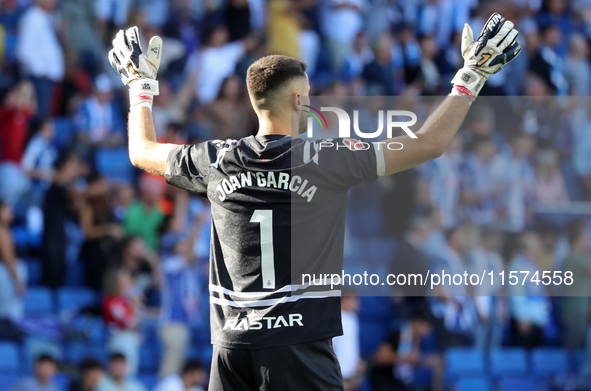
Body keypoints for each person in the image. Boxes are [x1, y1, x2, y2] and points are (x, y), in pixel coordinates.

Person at [108, 15, 520, 390]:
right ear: (296, 102)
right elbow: (430, 143)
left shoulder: (217, 159)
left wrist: (139, 88)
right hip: (297, 344)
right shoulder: (325, 159)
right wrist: (472, 76)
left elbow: (141, 151)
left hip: (232, 347)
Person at [371, 310, 442, 391]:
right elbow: (379, 357)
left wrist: (425, 360)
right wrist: (404, 357)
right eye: (424, 326)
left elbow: (413, 360)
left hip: (401, 383)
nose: (426, 330)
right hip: (384, 380)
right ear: (415, 323)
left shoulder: (419, 340)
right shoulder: (397, 335)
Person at [561, 220, 591, 350]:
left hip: (579, 311)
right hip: (575, 312)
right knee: (574, 348)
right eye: (585, 235)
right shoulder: (574, 258)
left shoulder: (579, 257)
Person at [0, 201, 27, 321]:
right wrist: (18, 281)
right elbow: (8, 259)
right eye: (8, 210)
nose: (12, 213)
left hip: (5, 274)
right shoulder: (2, 231)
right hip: (6, 276)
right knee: (11, 314)